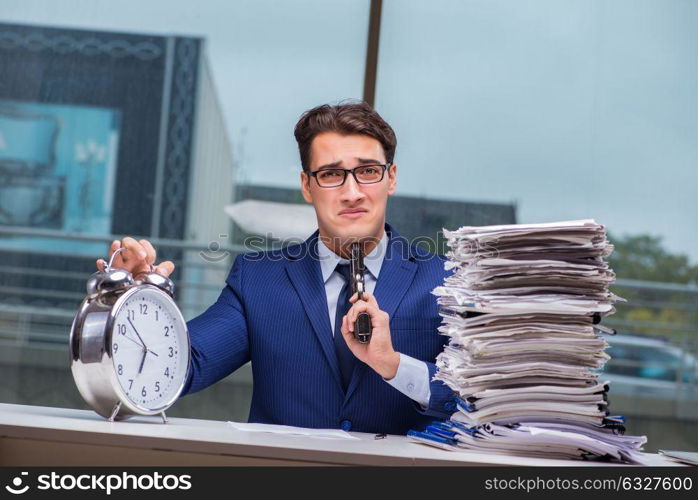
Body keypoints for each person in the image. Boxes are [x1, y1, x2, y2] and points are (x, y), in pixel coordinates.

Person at [98, 101, 455, 434]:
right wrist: (133, 305)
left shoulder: (447, 282)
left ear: (391, 178)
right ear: (307, 186)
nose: (352, 192)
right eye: (331, 174)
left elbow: (484, 403)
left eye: (367, 171)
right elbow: (183, 367)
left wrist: (394, 365)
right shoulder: (258, 280)